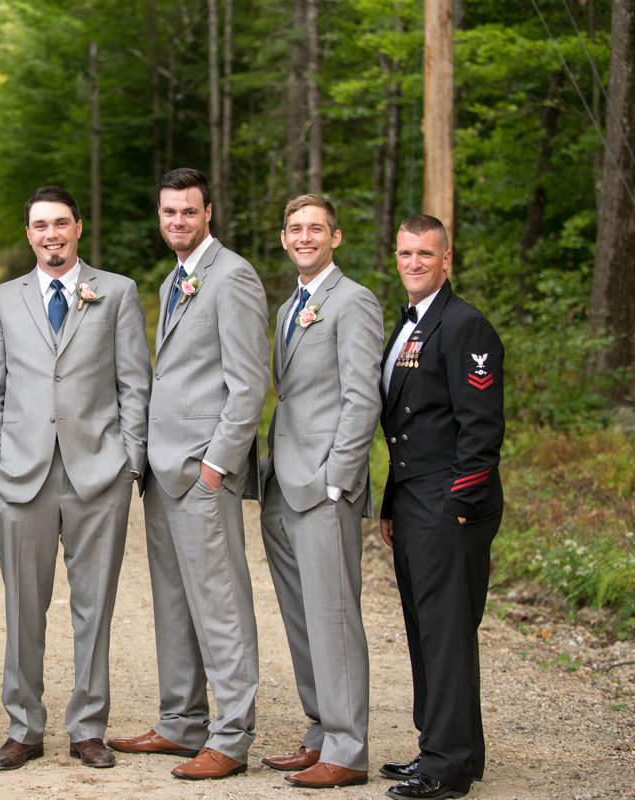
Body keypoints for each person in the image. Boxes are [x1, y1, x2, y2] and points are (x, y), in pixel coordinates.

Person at [0, 185, 150, 771]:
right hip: (19, 476)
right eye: (40, 226)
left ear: (79, 227)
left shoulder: (117, 293)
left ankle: (88, 727)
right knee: (24, 606)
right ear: (29, 234)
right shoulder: (1, 300)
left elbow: (134, 384)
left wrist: (131, 460)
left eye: (60, 224)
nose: (51, 234)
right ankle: (23, 726)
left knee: (93, 607)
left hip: (98, 475)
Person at [108, 167, 268, 781]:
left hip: (202, 471)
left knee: (220, 604)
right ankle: (180, 723)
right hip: (162, 470)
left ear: (209, 215)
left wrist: (216, 464)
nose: (178, 221)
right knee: (174, 603)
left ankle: (231, 735)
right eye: (168, 212)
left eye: (189, 212)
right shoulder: (176, 278)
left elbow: (249, 381)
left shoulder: (233, 276)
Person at [377, 214, 505, 800]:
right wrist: (389, 503)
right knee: (425, 629)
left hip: (449, 504)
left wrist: (461, 504)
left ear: (446, 259)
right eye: (405, 253)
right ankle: (442, 748)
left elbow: (480, 428)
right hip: (413, 501)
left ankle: (447, 768)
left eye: (425, 254)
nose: (414, 262)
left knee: (447, 632)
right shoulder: (409, 327)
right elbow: (406, 429)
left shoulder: (465, 326)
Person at [258, 195, 382, 789]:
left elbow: (363, 396)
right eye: (295, 229)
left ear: (336, 237)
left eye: (316, 229)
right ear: (284, 240)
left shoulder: (353, 301)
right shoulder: (289, 306)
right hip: (283, 482)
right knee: (302, 615)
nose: (305, 237)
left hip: (323, 485)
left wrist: (339, 477)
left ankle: (349, 748)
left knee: (333, 615)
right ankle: (321, 731)